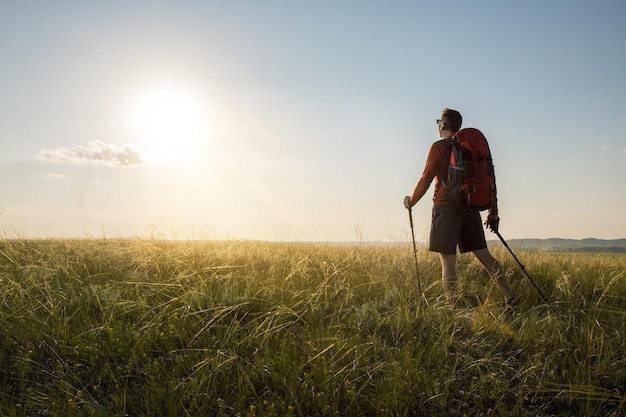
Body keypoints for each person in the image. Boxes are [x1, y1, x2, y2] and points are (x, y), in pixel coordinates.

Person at [403, 108, 516, 307]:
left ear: (443, 125)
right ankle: (510, 299)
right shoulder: (471, 150)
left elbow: (426, 178)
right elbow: (491, 181)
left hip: (445, 209)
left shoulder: (438, 147)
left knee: (448, 261)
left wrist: (411, 201)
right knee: (486, 257)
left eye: (439, 121)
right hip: (469, 207)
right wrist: (493, 213)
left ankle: (453, 309)